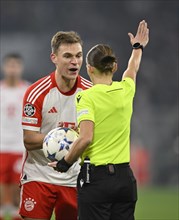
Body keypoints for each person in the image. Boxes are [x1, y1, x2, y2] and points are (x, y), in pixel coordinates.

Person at [49, 20, 149, 220]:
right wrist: (137, 47)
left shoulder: (86, 97)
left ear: (89, 68)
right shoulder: (126, 89)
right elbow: (133, 67)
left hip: (97, 180)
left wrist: (64, 163)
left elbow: (86, 138)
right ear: (114, 67)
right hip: (125, 180)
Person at [19, 31, 92, 220]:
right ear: (54, 58)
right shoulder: (36, 92)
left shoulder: (91, 93)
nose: (74, 62)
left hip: (73, 178)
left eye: (78, 56)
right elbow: (29, 140)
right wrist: (61, 137)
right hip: (39, 176)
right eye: (67, 56)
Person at [0, 53, 30, 220]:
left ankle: (17, 215)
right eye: (9, 65)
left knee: (18, 189)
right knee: (2, 189)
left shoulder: (28, 90)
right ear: (4, 67)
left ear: (20, 67)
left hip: (20, 146)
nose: (12, 69)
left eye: (15, 65)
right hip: (1, 146)